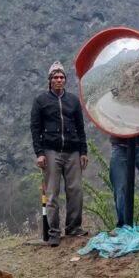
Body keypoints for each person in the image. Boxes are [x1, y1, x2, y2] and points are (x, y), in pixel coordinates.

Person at [30, 61, 88, 246]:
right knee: (52, 193)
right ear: (50, 80)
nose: (59, 80)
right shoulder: (41, 101)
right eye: (55, 77)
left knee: (75, 190)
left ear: (65, 80)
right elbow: (35, 129)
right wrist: (39, 153)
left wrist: (83, 151)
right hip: (51, 151)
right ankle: (54, 232)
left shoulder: (73, 101)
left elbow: (80, 127)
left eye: (62, 77)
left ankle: (73, 228)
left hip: (73, 151)